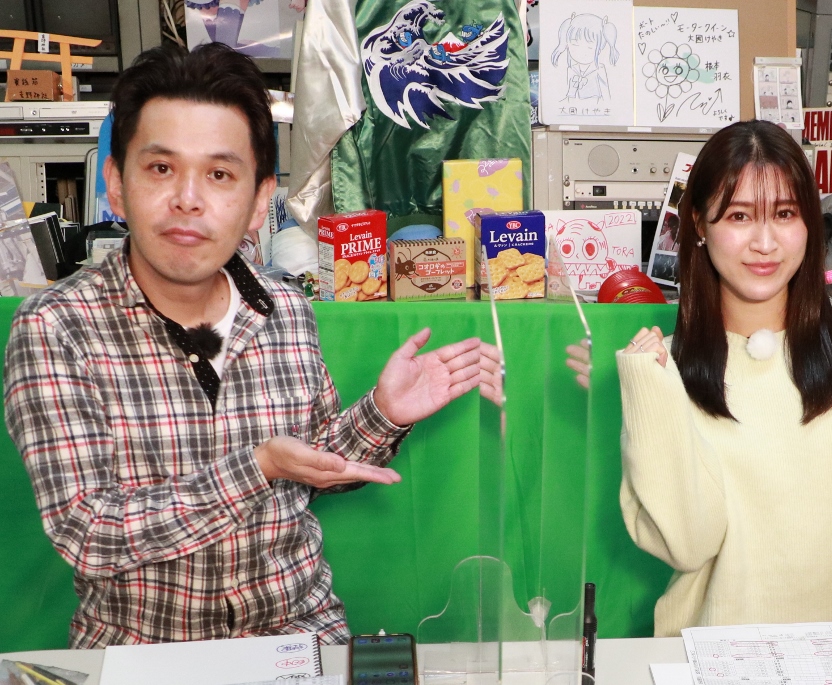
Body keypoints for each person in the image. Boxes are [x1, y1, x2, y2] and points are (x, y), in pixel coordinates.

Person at [3, 43, 480, 648]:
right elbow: (89, 533)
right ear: (117, 185)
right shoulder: (56, 326)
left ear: (258, 202)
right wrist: (256, 469)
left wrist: (382, 414)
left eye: (220, 174)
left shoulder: (287, 310)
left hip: (298, 635)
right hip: (143, 650)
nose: (188, 198)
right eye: (161, 168)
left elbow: (309, 464)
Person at [617, 120, 832, 636]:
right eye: (739, 216)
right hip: (709, 654)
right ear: (699, 224)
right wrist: (649, 389)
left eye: (785, 214)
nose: (765, 243)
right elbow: (687, 545)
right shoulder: (664, 366)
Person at [551, 13, 620, 104]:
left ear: (599, 49)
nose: (581, 52)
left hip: (597, 108)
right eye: (574, 45)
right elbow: (568, 99)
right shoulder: (571, 69)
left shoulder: (599, 70)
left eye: (589, 47)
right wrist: (571, 92)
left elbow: (607, 96)